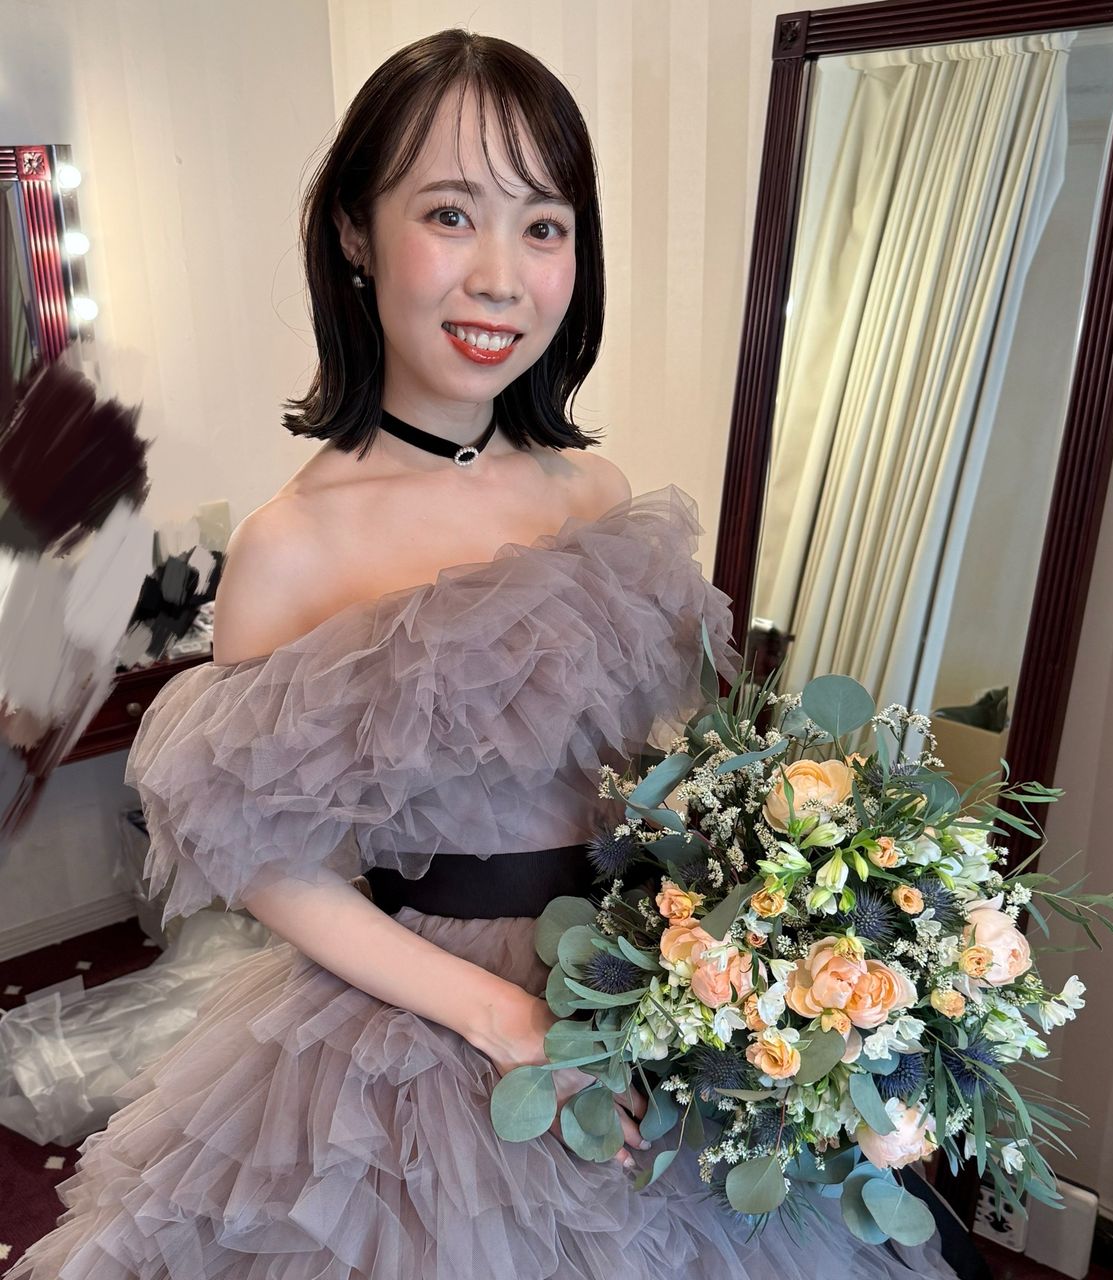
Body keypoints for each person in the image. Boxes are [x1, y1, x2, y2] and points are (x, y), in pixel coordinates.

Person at [9, 30, 961, 1280]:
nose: (501, 277)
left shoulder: (595, 492)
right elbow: (264, 858)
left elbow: (670, 755)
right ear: (354, 233)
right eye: (450, 214)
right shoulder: (294, 545)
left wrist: (778, 921)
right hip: (425, 1029)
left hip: (641, 979)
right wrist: (499, 1014)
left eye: (542, 225)